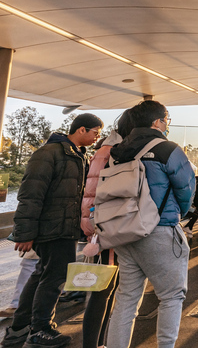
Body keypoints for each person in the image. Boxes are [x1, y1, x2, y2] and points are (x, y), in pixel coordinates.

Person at [3, 113, 103, 348]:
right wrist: (25, 233)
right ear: (81, 130)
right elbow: (30, 194)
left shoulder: (77, 155)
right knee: (54, 278)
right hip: (52, 227)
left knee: (41, 274)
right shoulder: (49, 153)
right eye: (95, 132)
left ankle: (19, 328)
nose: (96, 137)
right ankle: (41, 329)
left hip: (64, 226)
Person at [105, 101, 195, 348]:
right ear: (157, 122)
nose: (167, 124)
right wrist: (179, 213)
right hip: (159, 230)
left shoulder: (118, 151)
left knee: (126, 300)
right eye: (166, 119)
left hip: (125, 232)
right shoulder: (167, 149)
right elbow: (187, 188)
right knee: (171, 296)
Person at [80, 112, 135, 348]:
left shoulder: (109, 148)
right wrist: (92, 224)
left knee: (109, 288)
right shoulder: (113, 151)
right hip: (106, 226)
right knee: (102, 289)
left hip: (105, 224)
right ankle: (92, 344)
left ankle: (100, 343)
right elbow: (93, 193)